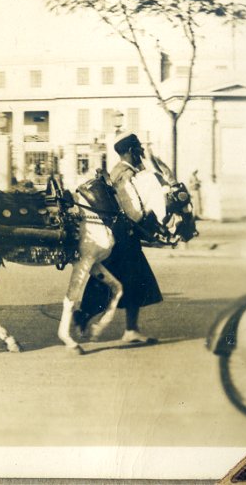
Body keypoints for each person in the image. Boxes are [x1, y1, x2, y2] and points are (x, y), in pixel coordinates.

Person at [75, 133, 163, 345]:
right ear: (132, 152)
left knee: (129, 281)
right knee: (117, 280)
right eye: (138, 150)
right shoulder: (125, 174)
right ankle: (86, 317)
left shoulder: (118, 171)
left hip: (120, 235)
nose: (141, 154)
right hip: (123, 237)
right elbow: (130, 206)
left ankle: (128, 329)